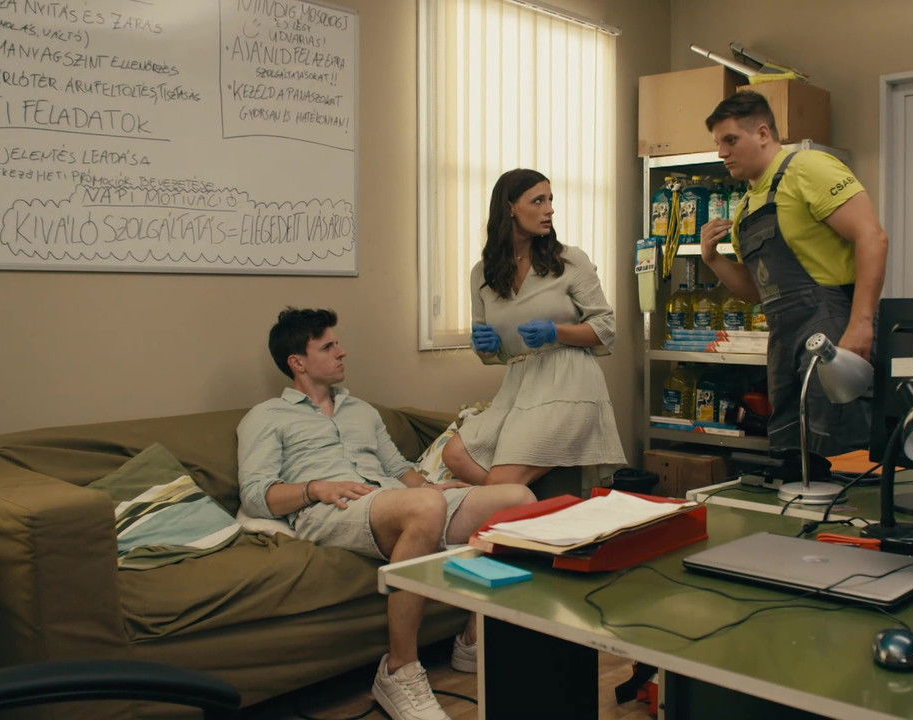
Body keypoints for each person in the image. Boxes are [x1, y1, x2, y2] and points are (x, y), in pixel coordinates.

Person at [237, 308, 535, 720]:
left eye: (338, 343)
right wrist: (314, 488)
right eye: (328, 346)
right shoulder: (266, 417)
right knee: (426, 506)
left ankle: (473, 636)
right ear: (297, 362)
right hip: (331, 510)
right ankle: (399, 670)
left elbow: (397, 468)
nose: (342, 352)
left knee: (519, 499)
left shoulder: (361, 410)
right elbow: (255, 495)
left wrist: (429, 488)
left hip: (395, 499)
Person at [699, 91, 888, 456]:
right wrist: (713, 259)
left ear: (763, 133)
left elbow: (872, 237)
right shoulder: (745, 208)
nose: (722, 153)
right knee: (789, 443)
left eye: (731, 140)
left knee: (838, 441)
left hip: (832, 326)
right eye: (718, 143)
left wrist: (861, 323)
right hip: (783, 338)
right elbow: (757, 292)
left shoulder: (808, 168)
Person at [441, 168, 626, 485]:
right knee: (455, 454)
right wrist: (485, 346)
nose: (549, 209)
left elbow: (606, 329)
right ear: (510, 208)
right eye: (538, 201)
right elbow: (493, 354)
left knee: (502, 481)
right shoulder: (482, 273)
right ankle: (519, 501)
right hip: (518, 386)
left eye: (550, 200)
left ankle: (503, 496)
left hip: (569, 383)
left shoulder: (570, 260)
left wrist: (557, 331)